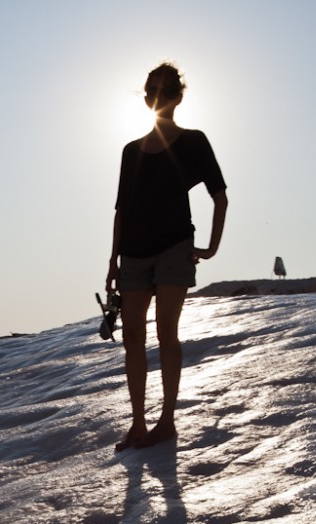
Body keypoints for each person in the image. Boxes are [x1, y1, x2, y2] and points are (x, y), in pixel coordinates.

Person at [106, 62, 228, 450]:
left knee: (166, 333)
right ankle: (138, 424)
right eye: (151, 90)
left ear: (177, 96)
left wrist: (211, 247)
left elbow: (219, 196)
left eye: (163, 89)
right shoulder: (130, 151)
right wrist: (112, 262)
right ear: (145, 98)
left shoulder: (194, 141)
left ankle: (167, 421)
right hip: (134, 256)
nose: (156, 96)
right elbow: (121, 210)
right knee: (132, 339)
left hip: (176, 246)